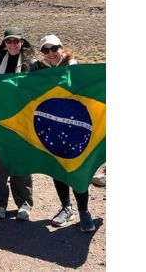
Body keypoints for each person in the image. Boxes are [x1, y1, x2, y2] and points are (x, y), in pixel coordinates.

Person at [32, 34, 95, 232]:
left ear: (61, 48)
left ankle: (84, 211)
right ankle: (66, 208)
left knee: (77, 168)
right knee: (58, 168)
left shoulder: (74, 67)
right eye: (45, 50)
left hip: (76, 127)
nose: (50, 53)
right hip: (53, 126)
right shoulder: (41, 70)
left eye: (54, 48)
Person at [0, 26, 37, 220]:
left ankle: (24, 203)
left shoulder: (31, 63)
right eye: (9, 41)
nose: (13, 44)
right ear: (4, 43)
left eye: (16, 41)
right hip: (0, 120)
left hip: (23, 121)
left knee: (21, 161)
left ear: (22, 42)